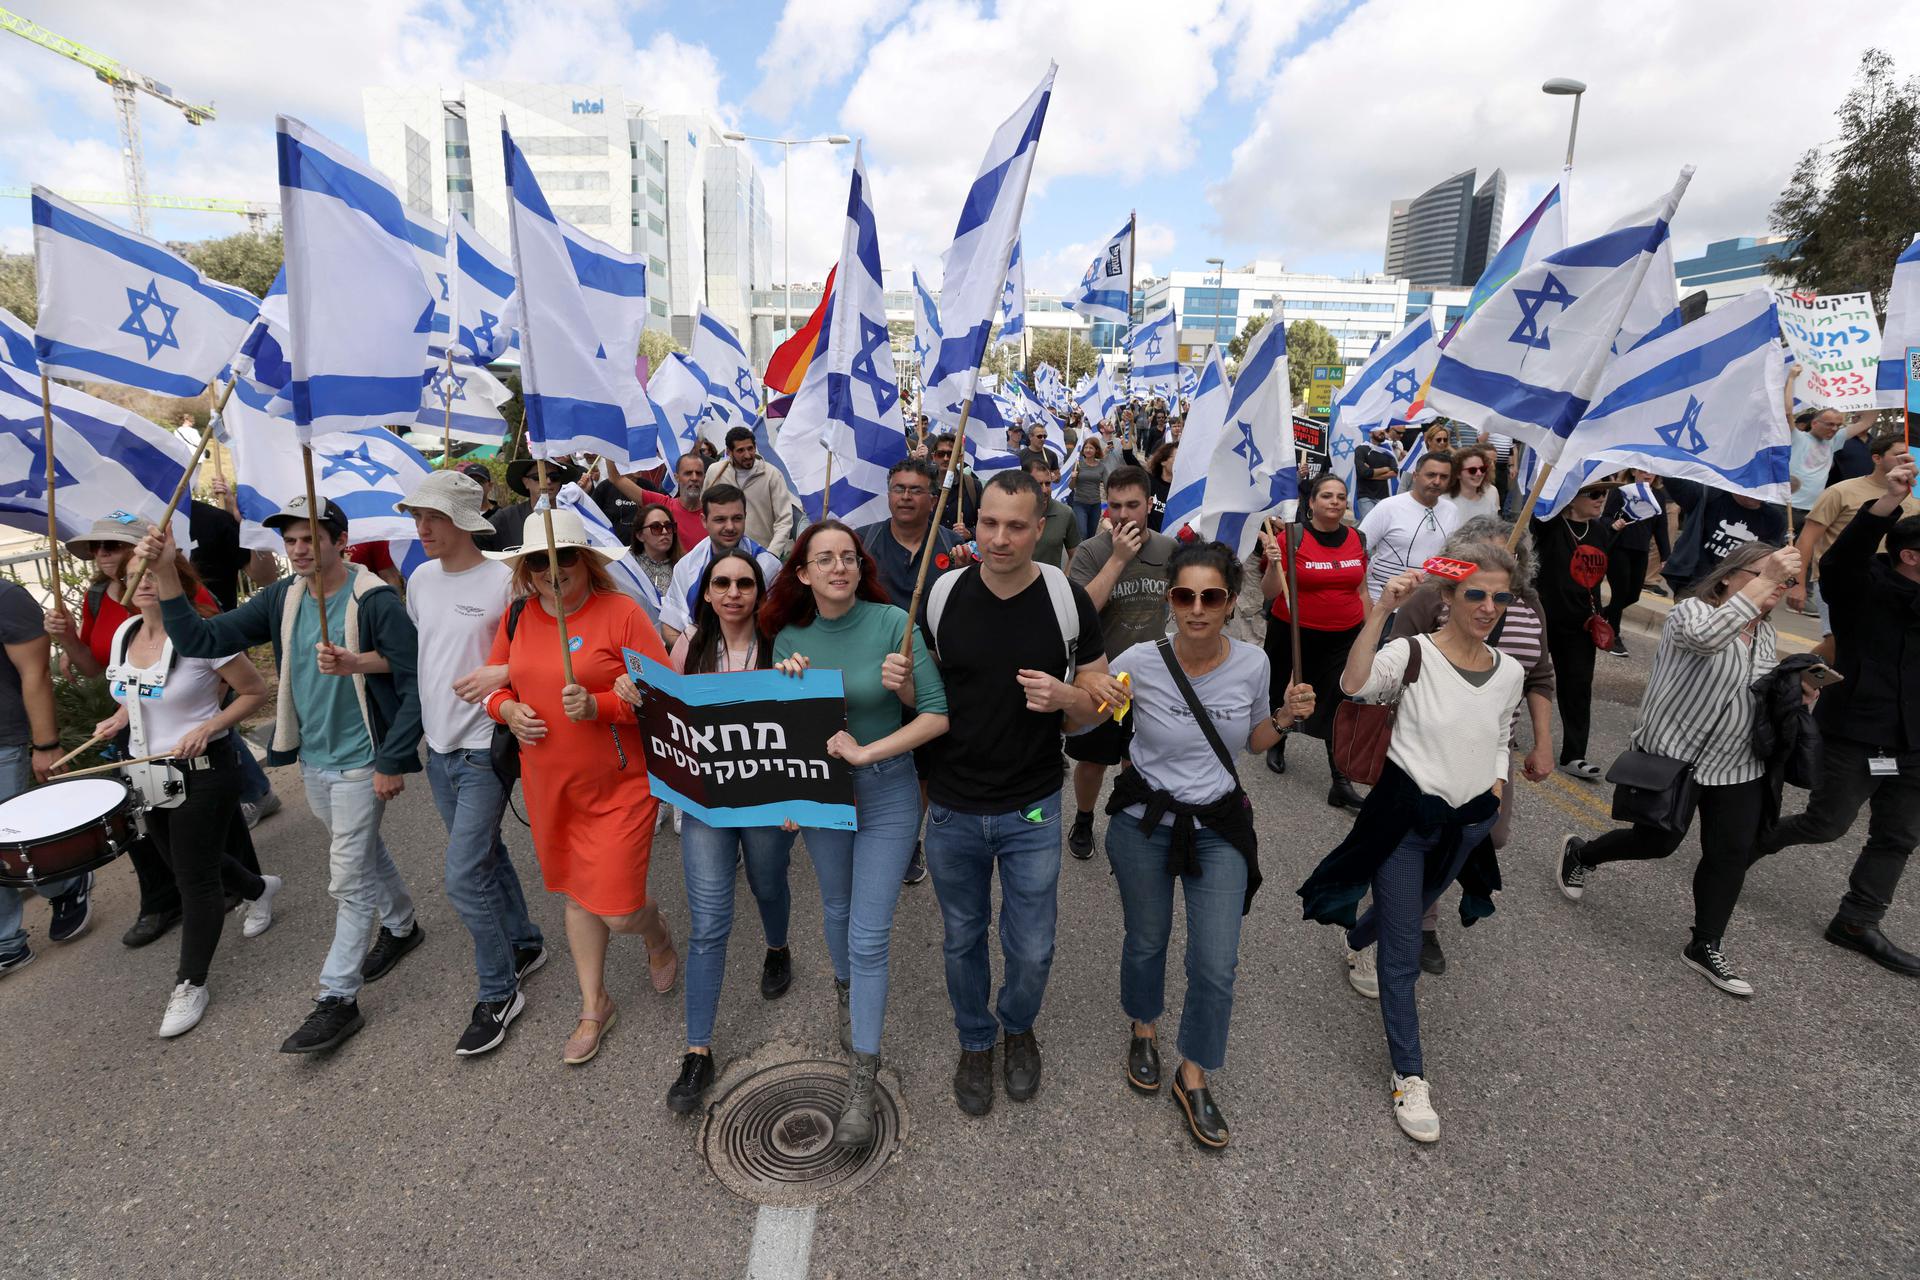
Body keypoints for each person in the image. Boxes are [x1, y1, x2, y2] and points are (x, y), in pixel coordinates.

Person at [139, 497, 427, 1053]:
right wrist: (164, 574)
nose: (297, 549)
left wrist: (392, 759)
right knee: (360, 849)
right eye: (290, 540)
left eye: (310, 539)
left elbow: (415, 677)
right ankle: (402, 926)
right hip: (315, 759)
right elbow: (201, 641)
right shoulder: (281, 597)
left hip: (362, 758)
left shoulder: (375, 602)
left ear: (340, 541)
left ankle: (336, 998)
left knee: (348, 878)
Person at [1300, 545, 1525, 1143]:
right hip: (1402, 820)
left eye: (1500, 596)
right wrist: (1380, 610)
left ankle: (1355, 940)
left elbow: (1502, 731)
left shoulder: (1509, 670)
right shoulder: (1414, 653)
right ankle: (1410, 1076)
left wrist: (1497, 787)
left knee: (1405, 910)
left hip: (1467, 824)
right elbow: (1352, 684)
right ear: (1447, 598)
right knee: (1402, 954)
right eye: (1475, 593)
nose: (1487, 607)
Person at [1103, 541, 1313, 1148]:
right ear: (1170, 597)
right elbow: (1099, 714)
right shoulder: (1140, 659)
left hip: (1218, 826)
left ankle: (1193, 1072)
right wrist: (1091, 697)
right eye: (1184, 595)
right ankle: (1144, 1027)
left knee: (1216, 964)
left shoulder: (1252, 664)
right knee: (1147, 939)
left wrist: (1286, 719)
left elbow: (1251, 741)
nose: (1196, 608)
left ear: (1230, 601)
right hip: (1144, 822)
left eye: (1211, 597)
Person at [922, 470, 1109, 1117]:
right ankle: (976, 1040)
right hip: (951, 806)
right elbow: (920, 701)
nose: (998, 538)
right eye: (989, 523)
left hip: (1031, 805)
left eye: (1015, 526)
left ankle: (1017, 1026)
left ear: (1041, 529)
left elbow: (1099, 703)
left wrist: (1067, 700)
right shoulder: (942, 595)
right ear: (975, 524)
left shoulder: (1066, 599)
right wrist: (896, 683)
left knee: (1031, 947)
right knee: (961, 938)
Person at [764, 521, 950, 1147]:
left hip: (888, 790)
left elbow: (936, 716)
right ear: (803, 573)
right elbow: (777, 729)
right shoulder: (788, 638)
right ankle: (847, 994)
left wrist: (871, 752)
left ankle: (860, 1077)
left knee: (869, 932)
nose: (839, 567)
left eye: (848, 556)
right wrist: (782, 682)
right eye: (825, 559)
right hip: (821, 794)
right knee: (837, 909)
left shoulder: (893, 622)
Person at [1557, 541, 1803, 998]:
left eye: (1783, 581)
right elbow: (1706, 642)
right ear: (1728, 576)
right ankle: (1582, 853)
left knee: (1729, 854)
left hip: (1738, 764)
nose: (1777, 586)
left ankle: (1705, 944)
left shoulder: (1765, 633)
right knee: (1657, 842)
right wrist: (1769, 576)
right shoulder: (1690, 613)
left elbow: (1755, 695)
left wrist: (1796, 696)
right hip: (1677, 757)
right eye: (1764, 574)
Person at [483, 509, 678, 1064]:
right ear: (525, 568)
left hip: (622, 783)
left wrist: (603, 706)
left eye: (563, 557)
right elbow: (495, 682)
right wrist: (508, 708)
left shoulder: (620, 613)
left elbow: (664, 694)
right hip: (551, 783)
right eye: (538, 562)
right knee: (575, 892)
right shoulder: (517, 617)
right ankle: (595, 1004)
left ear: (585, 560)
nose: (552, 570)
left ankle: (656, 932)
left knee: (617, 909)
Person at [632, 549, 799, 1113]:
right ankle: (697, 1051)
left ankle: (777, 946)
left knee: (768, 884)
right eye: (721, 583)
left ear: (760, 592)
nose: (733, 593)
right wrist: (638, 697)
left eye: (745, 584)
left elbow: (805, 718)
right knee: (709, 923)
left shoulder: (782, 645)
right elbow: (666, 718)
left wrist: (797, 678)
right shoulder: (688, 647)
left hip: (767, 800)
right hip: (705, 804)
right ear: (705, 592)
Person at [92, 552, 280, 1037]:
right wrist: (117, 719)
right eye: (136, 576)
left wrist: (210, 726)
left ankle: (191, 983)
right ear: (124, 583)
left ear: (177, 577)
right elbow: (134, 697)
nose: (145, 583)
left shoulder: (201, 634)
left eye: (155, 574)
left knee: (194, 881)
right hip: (146, 774)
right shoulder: (124, 634)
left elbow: (254, 691)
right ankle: (259, 888)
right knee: (185, 861)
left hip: (203, 769)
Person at [395, 471, 548, 1057]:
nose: (422, 527)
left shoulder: (505, 583)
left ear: (464, 520)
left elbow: (534, 655)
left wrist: (505, 675)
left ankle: (498, 990)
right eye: (417, 516)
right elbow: (427, 658)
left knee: (462, 874)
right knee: (487, 855)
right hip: (437, 751)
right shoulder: (419, 579)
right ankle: (525, 942)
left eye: (432, 517)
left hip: (486, 748)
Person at [1755, 458, 1920, 974]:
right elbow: (1843, 561)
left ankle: (1856, 922)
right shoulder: (1860, 589)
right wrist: (1888, 502)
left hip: (1914, 741)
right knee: (1825, 825)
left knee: (1898, 836)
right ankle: (1739, 847)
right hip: (1858, 732)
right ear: (1911, 556)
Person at [1387, 518, 1556, 976]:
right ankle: (1417, 921)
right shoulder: (1430, 598)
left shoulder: (1529, 605)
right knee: (1430, 832)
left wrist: (1542, 743)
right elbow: (1393, 666)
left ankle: (1405, 900)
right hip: (1427, 745)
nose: (1495, 569)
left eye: (1508, 558)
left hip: (1492, 745)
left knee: (1488, 834)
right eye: (1484, 556)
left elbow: (1539, 675)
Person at [1066, 465, 1178, 858]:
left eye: (1133, 505)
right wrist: (1116, 559)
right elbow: (1079, 613)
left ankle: (1132, 823)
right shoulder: (1092, 552)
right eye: (1115, 506)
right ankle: (1083, 818)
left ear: (1149, 504)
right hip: (1102, 675)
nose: (1125, 514)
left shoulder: (1168, 550)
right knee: (1094, 760)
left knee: (1139, 760)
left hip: (1152, 678)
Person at [0, 580, 94, 975]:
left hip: (6, 738)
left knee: (14, 838)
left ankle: (66, 883)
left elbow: (34, 673)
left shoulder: (5, 598)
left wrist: (46, 744)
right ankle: (7, 941)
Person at [1261, 473, 1369, 809]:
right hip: (1293, 632)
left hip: (1343, 637)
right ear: (1311, 503)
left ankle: (1340, 780)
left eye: (1340, 496)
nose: (1335, 502)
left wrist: (1369, 633)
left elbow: (1361, 589)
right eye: (1327, 496)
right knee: (1283, 689)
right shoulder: (1291, 537)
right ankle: (1278, 739)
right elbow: (1269, 592)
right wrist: (1273, 567)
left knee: (1340, 702)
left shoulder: (1357, 538)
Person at [1789, 434, 1920, 639]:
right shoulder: (1841, 491)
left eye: (1911, 456)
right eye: (1899, 455)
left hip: (1895, 589)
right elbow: (1807, 539)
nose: (1908, 460)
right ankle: (1805, 669)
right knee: (1838, 642)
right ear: (1877, 458)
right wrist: (1797, 585)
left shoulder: (1916, 497)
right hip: (1840, 581)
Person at [1531, 481, 1620, 781]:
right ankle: (1502, 732)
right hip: (1542, 619)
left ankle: (1574, 755)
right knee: (1520, 677)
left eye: (1605, 494)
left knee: (1578, 688)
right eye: (1594, 494)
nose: (1601, 500)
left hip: (1581, 624)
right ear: (1571, 498)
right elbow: (1539, 506)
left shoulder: (1600, 531)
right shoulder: (1550, 525)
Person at [658, 484, 782, 647]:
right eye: (720, 519)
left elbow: (782, 626)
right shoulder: (687, 567)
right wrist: (696, 656)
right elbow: (670, 626)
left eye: (737, 518)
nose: (730, 527)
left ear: (745, 517)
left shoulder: (769, 566)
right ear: (704, 521)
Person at [858, 457, 961, 610]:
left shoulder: (953, 546)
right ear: (889, 496)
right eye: (898, 489)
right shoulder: (862, 542)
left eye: (916, 490)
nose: (906, 497)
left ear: (933, 502)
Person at [1357, 451, 1460, 602]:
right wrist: (1364, 598)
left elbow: (1451, 556)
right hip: (1385, 603)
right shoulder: (1388, 507)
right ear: (1415, 476)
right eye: (1431, 475)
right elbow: (1357, 551)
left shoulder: (1452, 510)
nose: (1437, 481)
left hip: (1428, 604)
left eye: (1444, 477)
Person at [1657, 476, 1786, 596]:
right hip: (1696, 583)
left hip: (1739, 591)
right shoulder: (1709, 496)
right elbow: (1674, 482)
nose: (1758, 494)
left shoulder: (1773, 519)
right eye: (1754, 487)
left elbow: (1770, 558)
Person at [1601, 472, 1672, 656]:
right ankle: (1613, 636)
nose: (1647, 474)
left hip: (1641, 551)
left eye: (1651, 470)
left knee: (1633, 595)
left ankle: (1601, 615)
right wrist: (1613, 524)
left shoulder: (1658, 496)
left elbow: (1661, 528)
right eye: (1642, 469)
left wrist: (1666, 557)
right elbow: (1606, 517)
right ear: (1634, 471)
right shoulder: (1621, 491)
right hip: (1619, 548)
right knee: (1620, 593)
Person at [708, 426, 798, 557]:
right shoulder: (715, 473)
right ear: (729, 452)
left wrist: (771, 554)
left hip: (761, 555)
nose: (747, 455)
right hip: (723, 556)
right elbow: (706, 510)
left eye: (750, 448)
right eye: (740, 450)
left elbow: (784, 519)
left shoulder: (771, 475)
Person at [491, 457, 586, 552]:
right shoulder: (507, 518)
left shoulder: (573, 515)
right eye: (539, 477)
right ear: (525, 482)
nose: (548, 481)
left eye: (554, 477)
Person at [638, 452, 711, 552]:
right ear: (677, 477)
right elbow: (617, 479)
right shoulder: (663, 505)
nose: (694, 478)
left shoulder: (714, 514)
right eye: (688, 473)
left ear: (704, 477)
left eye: (699, 473)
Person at [1023, 453, 1082, 570]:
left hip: (1051, 587)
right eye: (1038, 484)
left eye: (1048, 483)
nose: (1045, 490)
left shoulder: (1065, 513)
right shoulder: (1012, 513)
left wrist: (1064, 581)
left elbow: (1075, 554)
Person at [930, 434, 983, 540]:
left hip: (962, 553)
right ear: (934, 457)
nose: (945, 458)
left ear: (959, 458)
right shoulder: (924, 485)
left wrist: (969, 533)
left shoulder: (973, 486)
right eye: (940, 454)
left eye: (951, 454)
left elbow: (986, 524)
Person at [630, 506, 683, 599]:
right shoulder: (628, 564)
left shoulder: (684, 565)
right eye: (656, 527)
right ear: (640, 535)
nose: (665, 531)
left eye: (668, 526)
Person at [1068, 436, 1114, 539]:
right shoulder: (1078, 464)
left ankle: (1087, 554)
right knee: (1082, 533)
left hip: (1095, 505)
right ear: (1083, 450)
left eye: (1091, 448)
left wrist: (1112, 500)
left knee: (1090, 535)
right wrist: (1073, 478)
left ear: (1096, 450)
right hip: (1079, 504)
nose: (1088, 450)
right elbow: (1071, 487)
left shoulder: (1101, 467)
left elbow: (1107, 486)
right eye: (1086, 448)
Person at [1442, 446, 1499, 524]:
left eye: (1482, 469)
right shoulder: (1443, 499)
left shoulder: (1492, 492)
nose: (1479, 473)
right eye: (1472, 470)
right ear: (1458, 473)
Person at [1353, 427, 1398, 524]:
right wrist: (1386, 469)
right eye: (1378, 429)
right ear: (1370, 433)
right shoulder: (1361, 449)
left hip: (1384, 497)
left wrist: (1372, 474)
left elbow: (1394, 471)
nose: (1382, 431)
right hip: (1366, 496)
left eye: (1384, 429)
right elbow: (1364, 472)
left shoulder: (1388, 451)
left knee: (1381, 526)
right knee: (1370, 524)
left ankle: (1356, 536)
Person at [1145, 441, 1179, 532]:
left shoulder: (1182, 491)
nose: (1180, 462)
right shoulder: (1148, 482)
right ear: (1163, 461)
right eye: (1177, 457)